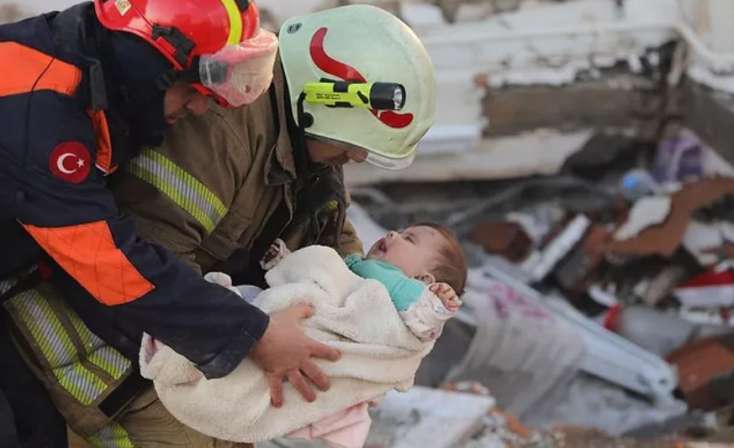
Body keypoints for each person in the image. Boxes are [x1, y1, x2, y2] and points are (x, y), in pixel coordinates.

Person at [3, 3, 438, 447]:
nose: (200, 104)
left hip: (173, 333)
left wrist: (386, 316)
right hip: (112, 353)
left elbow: (329, 237)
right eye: (191, 89)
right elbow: (111, 262)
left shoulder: (303, 140)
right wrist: (253, 336)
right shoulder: (43, 116)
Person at [139, 223, 468, 447]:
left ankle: (198, 353)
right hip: (303, 321)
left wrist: (437, 304)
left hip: (324, 338)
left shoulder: (407, 292)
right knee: (253, 304)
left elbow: (423, 326)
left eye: (409, 239)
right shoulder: (354, 266)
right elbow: (317, 276)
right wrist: (286, 262)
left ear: (424, 279)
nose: (394, 233)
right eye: (400, 230)